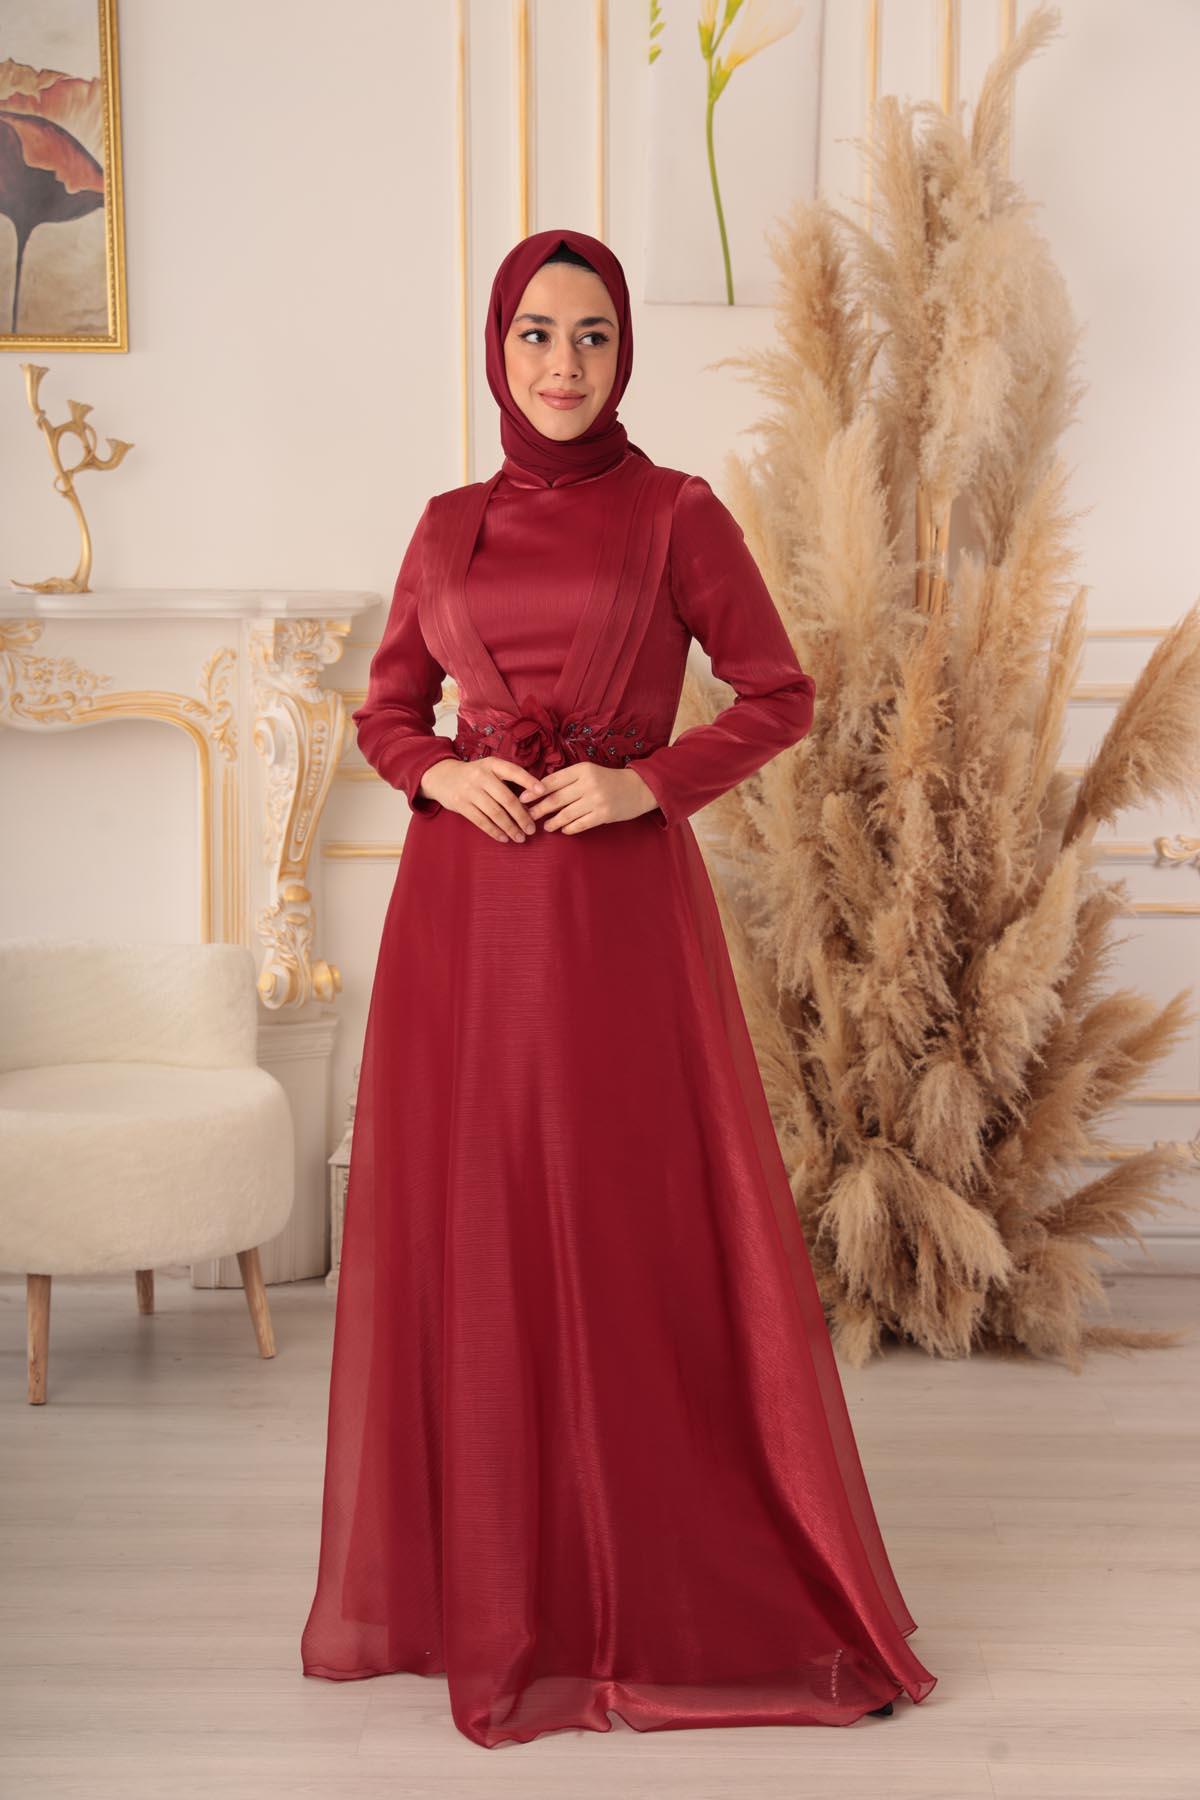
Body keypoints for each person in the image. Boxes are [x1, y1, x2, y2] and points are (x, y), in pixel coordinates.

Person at [300, 227, 937, 1749]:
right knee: (483, 1221)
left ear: (624, 350)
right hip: (464, 924)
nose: (564, 363)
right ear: (497, 347)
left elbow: (780, 691)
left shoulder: (676, 513)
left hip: (612, 920)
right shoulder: (444, 526)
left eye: (591, 335)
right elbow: (387, 710)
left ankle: (641, 1576)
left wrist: (647, 784)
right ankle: (496, 1583)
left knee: (621, 1223)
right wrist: (440, 774)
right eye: (536, 333)